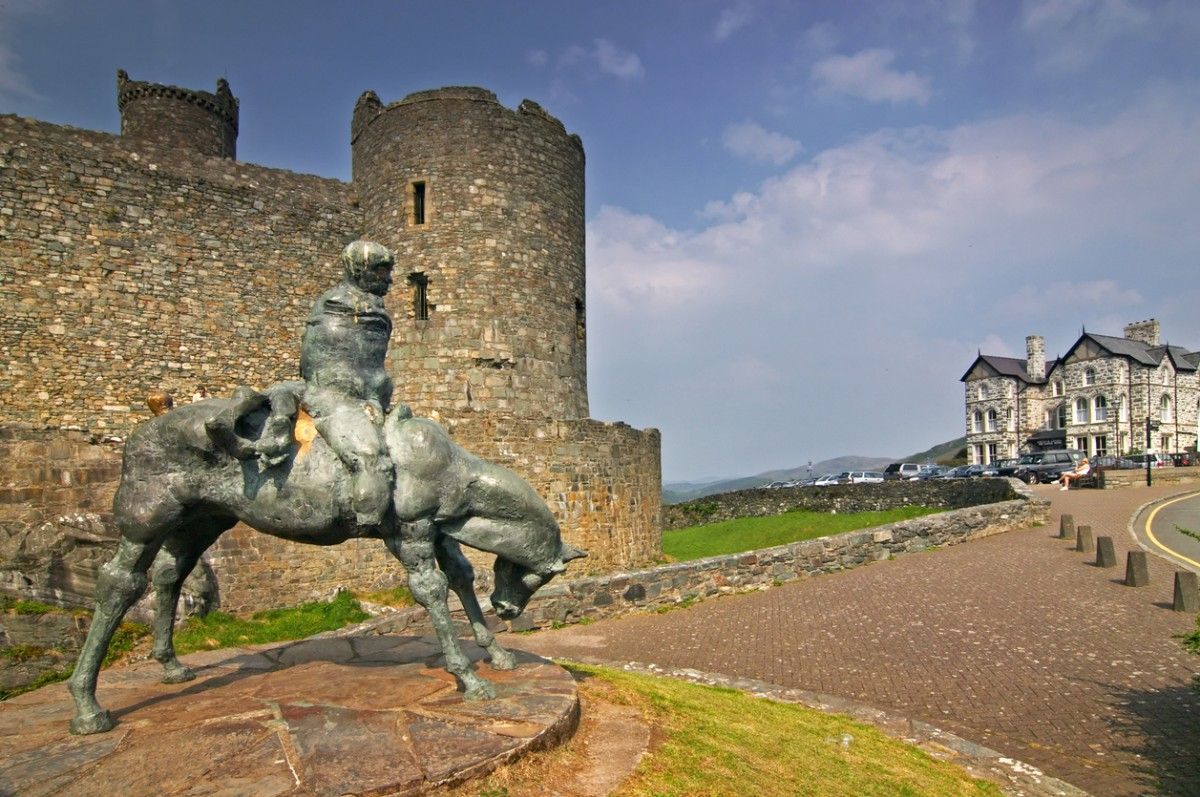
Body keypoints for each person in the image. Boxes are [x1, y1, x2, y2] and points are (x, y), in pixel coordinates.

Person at [298, 240, 397, 526]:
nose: (389, 279)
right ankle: (369, 520)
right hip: (336, 399)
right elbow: (323, 366)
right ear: (359, 269)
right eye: (381, 271)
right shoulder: (337, 306)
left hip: (366, 399)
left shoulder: (373, 310)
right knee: (369, 456)